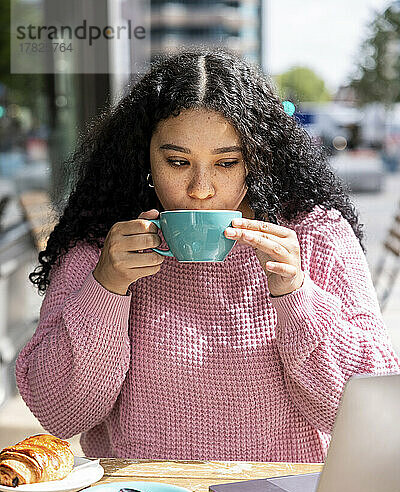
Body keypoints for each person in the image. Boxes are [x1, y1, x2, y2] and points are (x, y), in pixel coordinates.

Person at [15, 48, 400, 462]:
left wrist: (297, 295)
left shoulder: (313, 234)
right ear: (142, 156)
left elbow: (370, 414)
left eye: (226, 162)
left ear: (258, 160)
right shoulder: (102, 244)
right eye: (178, 162)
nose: (201, 188)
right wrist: (106, 288)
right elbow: (61, 416)